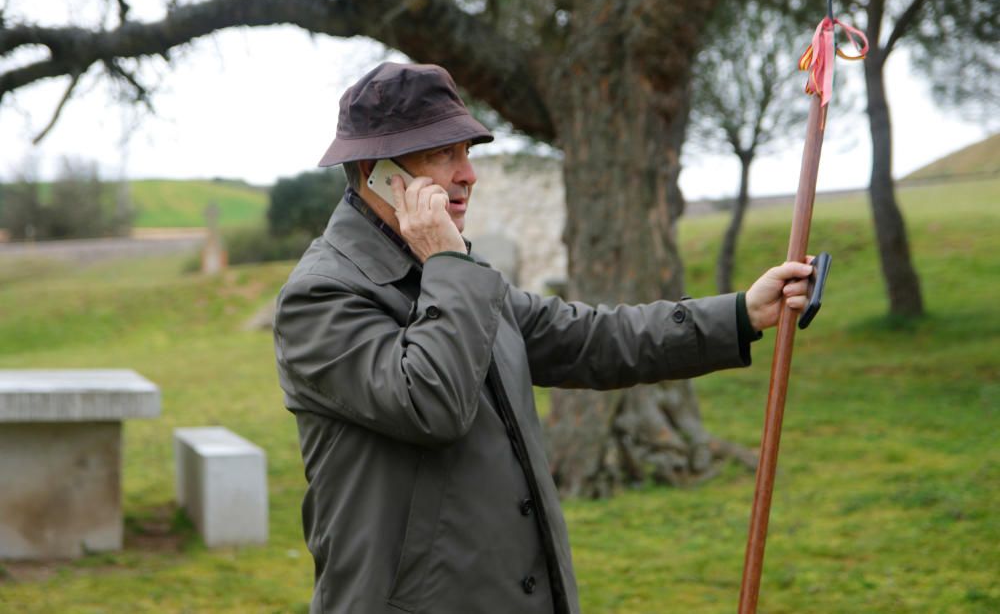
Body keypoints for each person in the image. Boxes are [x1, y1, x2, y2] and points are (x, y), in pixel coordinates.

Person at [273, 62, 813, 614]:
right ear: (378, 171)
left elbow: (589, 338)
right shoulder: (321, 299)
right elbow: (430, 403)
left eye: (469, 152)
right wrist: (447, 264)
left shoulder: (454, 270)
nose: (469, 175)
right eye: (444, 154)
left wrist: (740, 314)